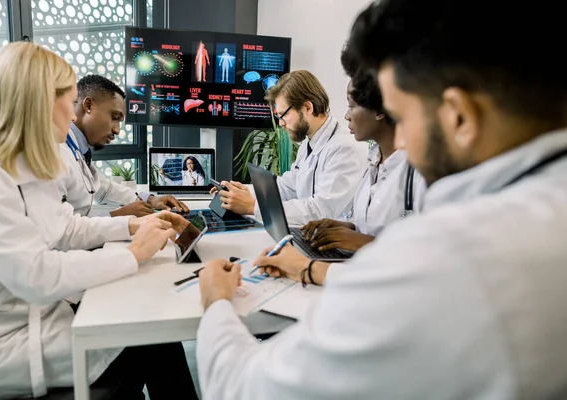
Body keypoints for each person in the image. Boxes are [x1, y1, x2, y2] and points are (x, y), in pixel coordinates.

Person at [195, 0, 567, 398]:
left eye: (402, 117)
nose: (401, 142)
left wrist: (216, 303)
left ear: (458, 116)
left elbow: (242, 390)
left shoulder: (458, 252)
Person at [0, 42, 198, 400]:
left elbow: (68, 227)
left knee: (151, 329)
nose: (73, 116)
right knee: (151, 338)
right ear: (40, 100)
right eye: (68, 101)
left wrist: (132, 226)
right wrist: (134, 253)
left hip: (34, 315)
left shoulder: (24, 163)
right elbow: (36, 276)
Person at [300, 47, 427, 252]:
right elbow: (376, 227)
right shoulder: (375, 161)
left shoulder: (420, 173)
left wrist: (365, 243)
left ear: (379, 110)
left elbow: (428, 252)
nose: (347, 116)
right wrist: (346, 228)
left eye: (352, 106)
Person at [216, 70, 366, 225]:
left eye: (283, 115)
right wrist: (243, 192)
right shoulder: (309, 143)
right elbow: (286, 187)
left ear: (308, 108)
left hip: (333, 241)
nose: (281, 123)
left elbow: (322, 210)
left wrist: (253, 207)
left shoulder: (344, 148)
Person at [58, 74, 188, 217]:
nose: (117, 130)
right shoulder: (57, 150)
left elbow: (103, 189)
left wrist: (151, 199)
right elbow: (60, 227)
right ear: (88, 105)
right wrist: (117, 215)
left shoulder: (79, 150)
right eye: (114, 118)